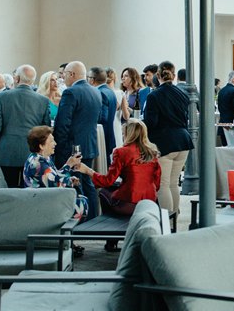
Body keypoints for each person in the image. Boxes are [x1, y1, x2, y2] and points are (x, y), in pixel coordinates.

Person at [79, 118, 161, 222]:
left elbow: (107, 181)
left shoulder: (121, 152)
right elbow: (157, 184)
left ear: (128, 135)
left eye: (123, 133)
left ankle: (111, 228)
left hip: (130, 204)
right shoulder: (152, 152)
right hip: (150, 202)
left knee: (104, 192)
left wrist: (88, 170)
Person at [53, 61, 102, 220]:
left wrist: (59, 147)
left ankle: (78, 222)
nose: (63, 77)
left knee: (74, 185)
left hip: (72, 148)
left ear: (72, 74)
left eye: (65, 73)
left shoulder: (71, 92)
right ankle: (93, 219)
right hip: (89, 145)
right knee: (88, 185)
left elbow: (63, 123)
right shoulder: (95, 91)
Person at [143, 61, 193, 216]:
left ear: (158, 76)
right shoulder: (183, 94)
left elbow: (151, 122)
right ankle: (174, 218)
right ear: (174, 74)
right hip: (183, 141)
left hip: (164, 142)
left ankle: (166, 220)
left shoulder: (154, 96)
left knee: (163, 184)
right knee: (173, 183)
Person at [0, 64, 52, 187]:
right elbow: (46, 129)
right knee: (29, 192)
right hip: (32, 153)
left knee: (8, 191)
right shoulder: (43, 100)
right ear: (33, 80)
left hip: (7, 152)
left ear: (17, 79)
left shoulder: (3, 96)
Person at [89, 66, 117, 162]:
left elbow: (102, 118)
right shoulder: (110, 91)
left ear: (92, 80)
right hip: (109, 135)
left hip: (101, 137)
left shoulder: (99, 93)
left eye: (88, 77)